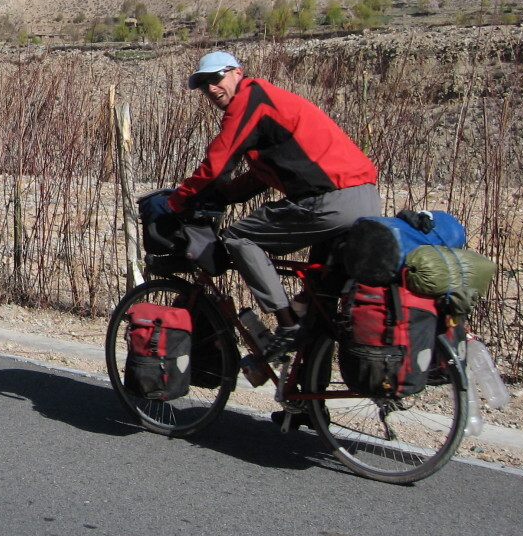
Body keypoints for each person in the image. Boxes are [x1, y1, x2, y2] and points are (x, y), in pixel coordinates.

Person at [141, 50, 381, 361]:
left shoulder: (250, 100)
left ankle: (286, 323)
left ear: (237, 73)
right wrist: (224, 195)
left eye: (215, 78)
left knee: (239, 237)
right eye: (203, 85)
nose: (210, 88)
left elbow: (217, 164)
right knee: (318, 303)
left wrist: (176, 202)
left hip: (331, 201)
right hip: (365, 201)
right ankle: (307, 391)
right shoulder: (272, 104)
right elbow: (260, 177)